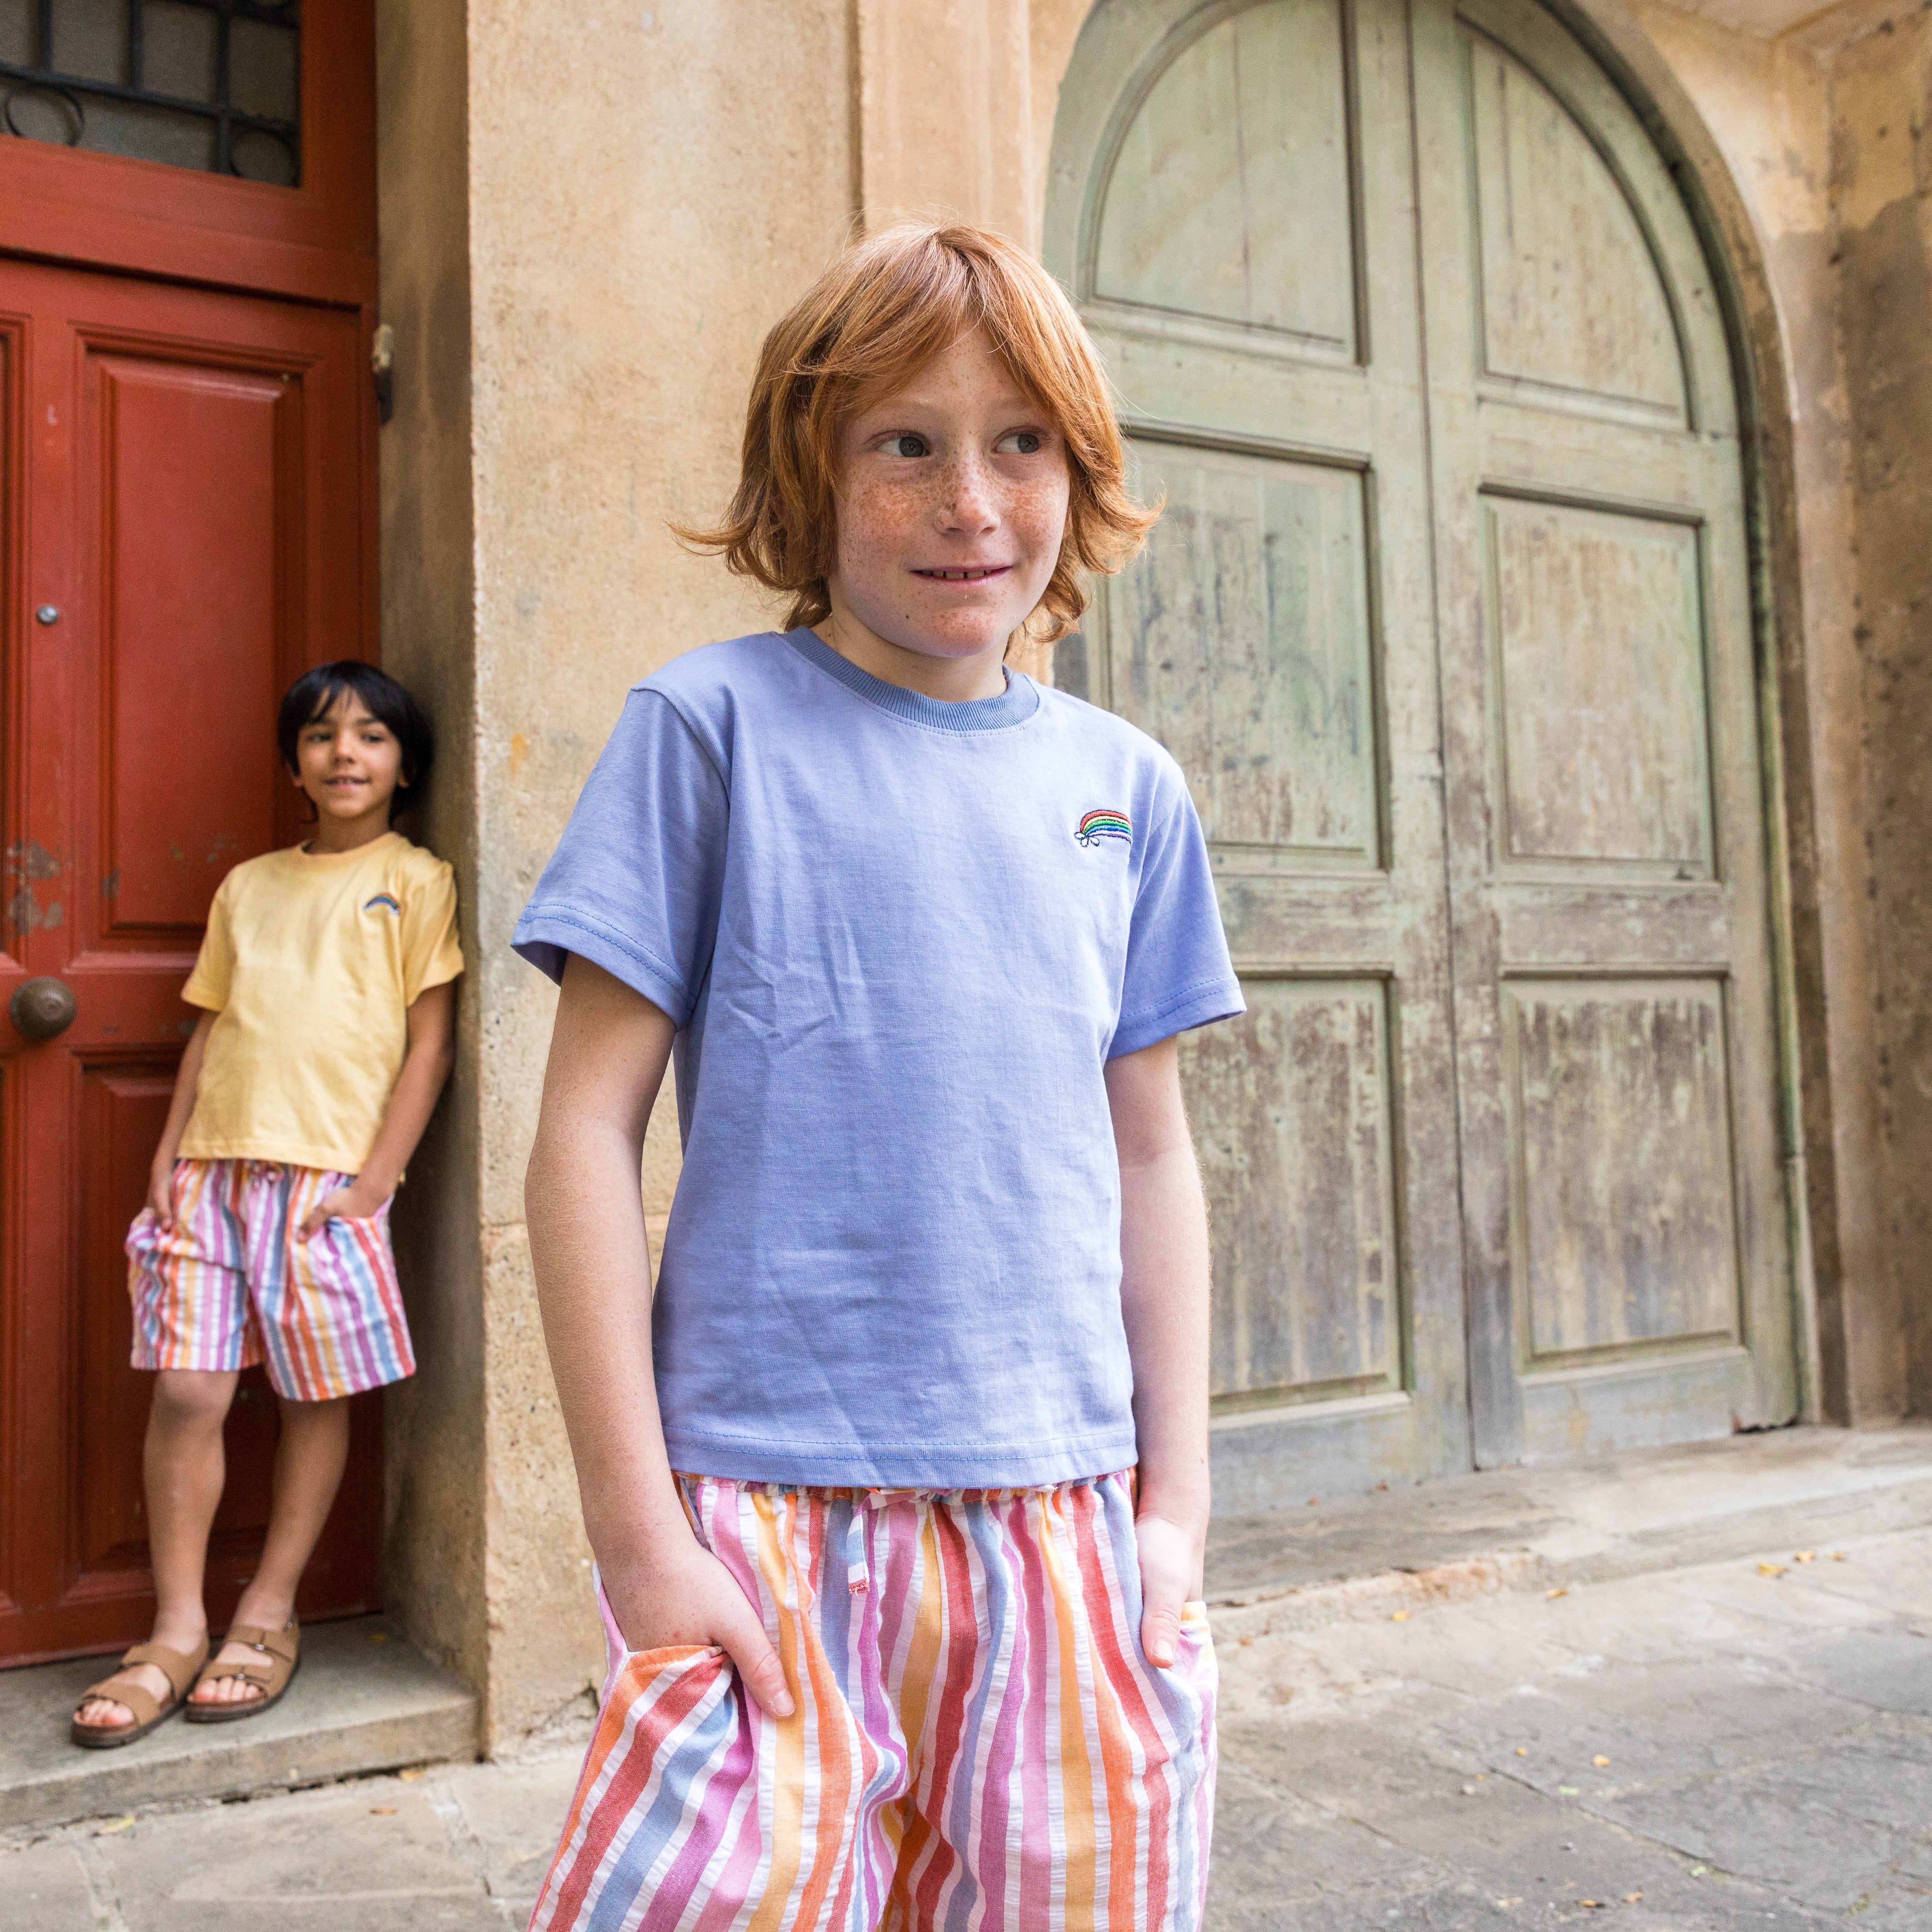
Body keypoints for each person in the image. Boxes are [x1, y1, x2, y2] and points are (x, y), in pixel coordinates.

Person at [515, 222, 1242, 1932]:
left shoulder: (1127, 788)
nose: (968, 502)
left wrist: (1177, 1519)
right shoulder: (704, 732)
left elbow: (1154, 1162)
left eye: (1021, 444)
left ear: (1080, 469)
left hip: (1072, 1522)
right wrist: (642, 1541)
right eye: (903, 442)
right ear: (811, 468)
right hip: (762, 1515)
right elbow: (580, 1137)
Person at [71, 662, 461, 1747]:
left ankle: (268, 1608)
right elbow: (211, 1026)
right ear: (294, 762)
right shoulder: (247, 884)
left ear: (404, 764)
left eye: (372, 736)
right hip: (211, 1169)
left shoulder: (417, 881)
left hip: (325, 1183)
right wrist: (167, 1150)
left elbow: (429, 1044)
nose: (346, 753)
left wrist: (375, 1179)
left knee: (312, 1393)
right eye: (324, 736)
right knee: (190, 1391)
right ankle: (176, 1626)